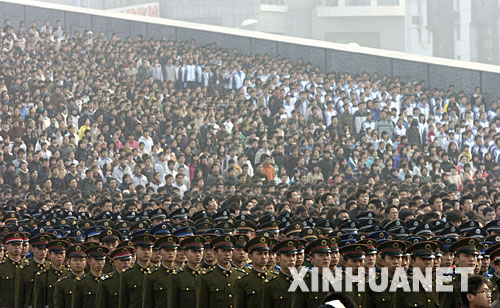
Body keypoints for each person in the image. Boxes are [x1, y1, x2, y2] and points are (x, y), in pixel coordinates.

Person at [196, 235, 239, 308]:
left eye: (229, 251)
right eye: (223, 251)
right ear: (215, 253)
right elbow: (202, 304)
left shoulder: (239, 275)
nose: (227, 254)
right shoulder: (206, 277)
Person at [142, 235, 179, 308]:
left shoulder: (182, 274)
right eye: (167, 250)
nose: (171, 253)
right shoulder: (152, 276)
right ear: (159, 252)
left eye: (173, 250)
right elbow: (148, 303)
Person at [119, 234, 155, 308]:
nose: (147, 252)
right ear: (135, 250)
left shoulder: (157, 272)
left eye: (149, 249)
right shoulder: (127, 274)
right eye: (143, 249)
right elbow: (124, 302)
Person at [168, 235, 204, 308]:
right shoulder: (176, 277)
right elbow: (173, 303)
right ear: (185, 253)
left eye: (200, 251)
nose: (197, 254)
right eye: (194, 251)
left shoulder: (207, 275)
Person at [234, 236, 271, 308]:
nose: (263, 257)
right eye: (259, 254)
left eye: (266, 253)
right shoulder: (242, 281)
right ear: (250, 256)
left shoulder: (274, 278)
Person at [15, 234, 50, 308]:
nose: (43, 252)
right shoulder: (24, 269)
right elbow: (20, 295)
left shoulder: (50, 267)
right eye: (39, 249)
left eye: (45, 249)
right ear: (32, 249)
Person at [261, 239, 299, 308]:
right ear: (278, 259)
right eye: (287, 256)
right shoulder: (271, 285)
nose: (291, 259)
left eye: (293, 255)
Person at [33, 240, 69, 308]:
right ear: (49, 255)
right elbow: (38, 302)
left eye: (61, 254)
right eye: (56, 254)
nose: (59, 257)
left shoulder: (69, 274)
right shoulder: (41, 276)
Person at [53, 244, 87, 308]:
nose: (78, 263)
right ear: (69, 262)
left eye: (81, 260)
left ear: (86, 262)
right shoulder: (61, 284)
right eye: (75, 260)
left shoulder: (91, 282)